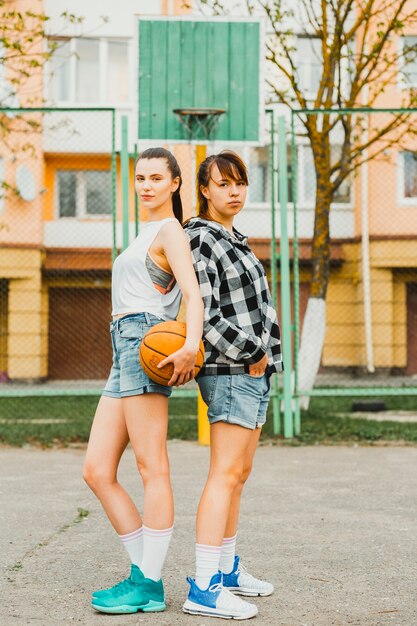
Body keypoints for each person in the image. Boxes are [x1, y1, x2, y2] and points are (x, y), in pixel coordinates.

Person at [83, 147, 203, 615]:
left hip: (146, 338)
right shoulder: (142, 233)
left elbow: (190, 293)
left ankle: (149, 583)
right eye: (140, 177)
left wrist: (191, 344)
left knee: (152, 466)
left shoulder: (170, 229)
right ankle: (144, 575)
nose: (147, 185)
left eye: (157, 177)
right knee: (96, 469)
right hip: (122, 344)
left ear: (176, 183)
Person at [182, 151, 283, 620]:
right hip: (230, 371)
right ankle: (203, 586)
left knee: (238, 477)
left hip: (253, 373)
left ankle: (225, 570)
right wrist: (254, 352)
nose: (234, 191)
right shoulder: (201, 239)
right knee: (223, 475)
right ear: (204, 190)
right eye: (223, 184)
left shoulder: (233, 238)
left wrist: (268, 357)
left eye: (240, 182)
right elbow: (205, 315)